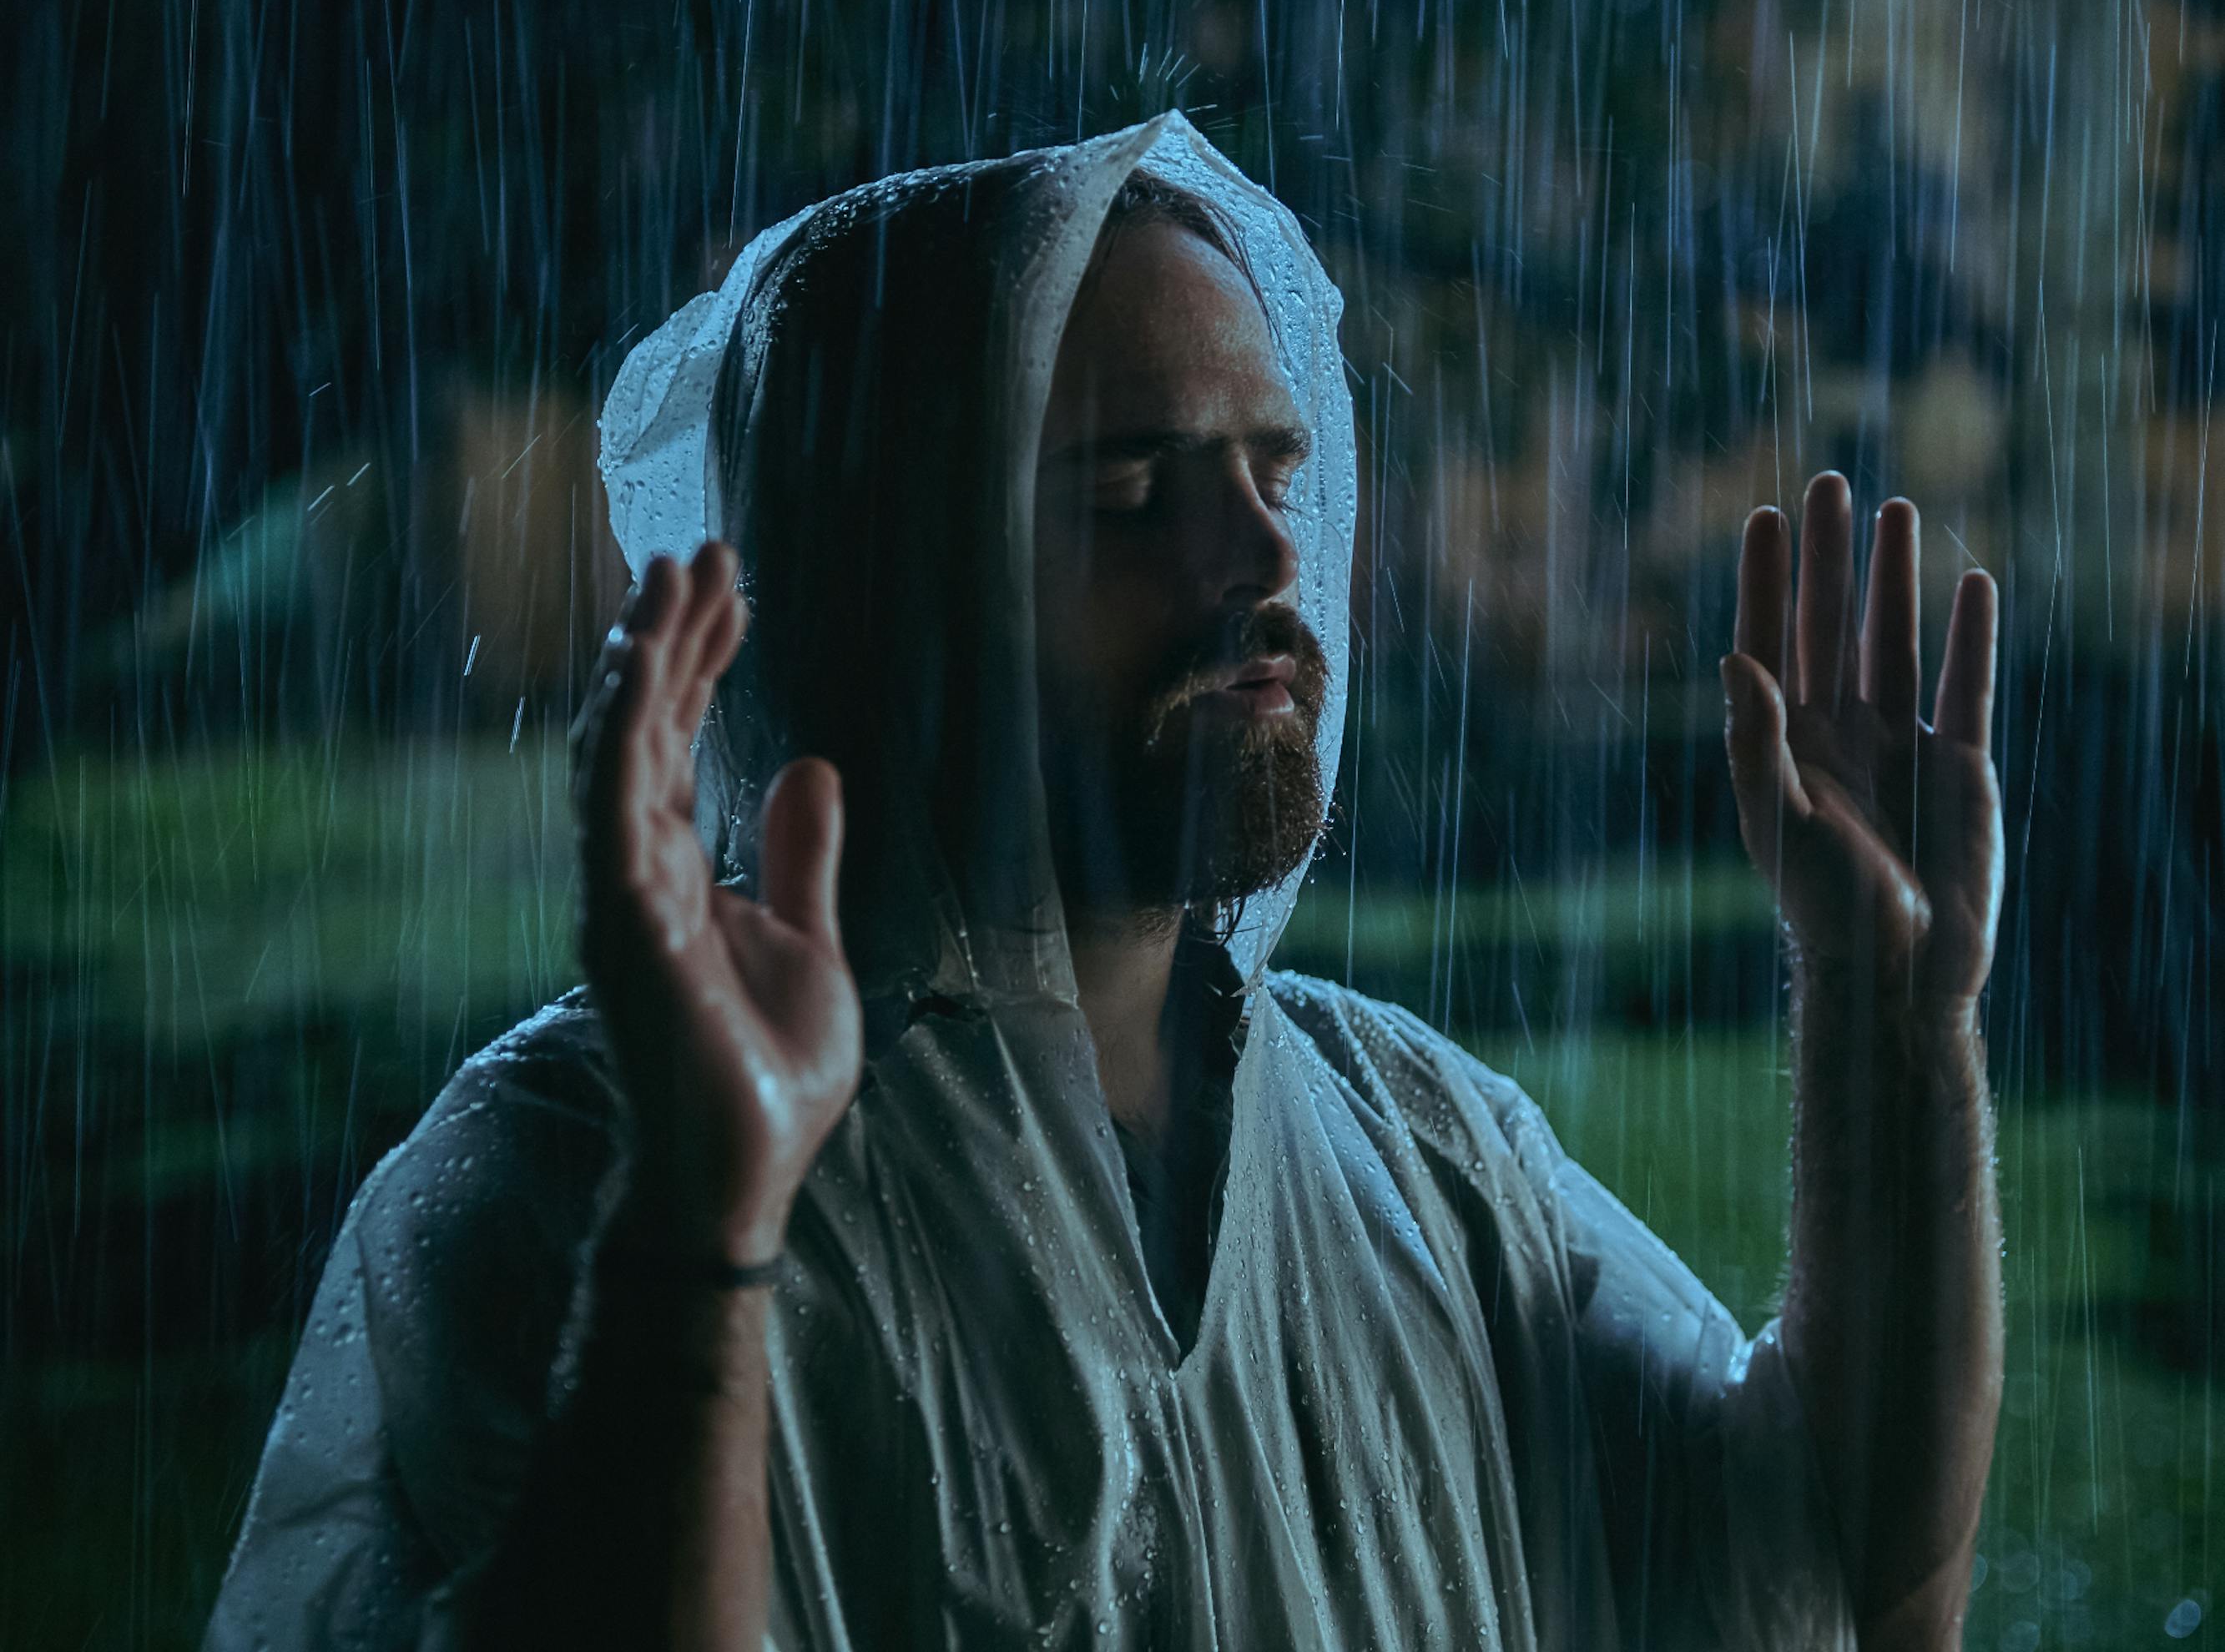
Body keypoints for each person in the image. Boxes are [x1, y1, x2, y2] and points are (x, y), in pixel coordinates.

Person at [206, 113, 2004, 1651]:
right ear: (887, 576)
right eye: (1133, 490)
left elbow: (1847, 1585)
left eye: (1273, 466)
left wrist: (1893, 1025)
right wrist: (693, 1238)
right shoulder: (563, 1176)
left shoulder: (1426, 1154)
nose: (1259, 554)